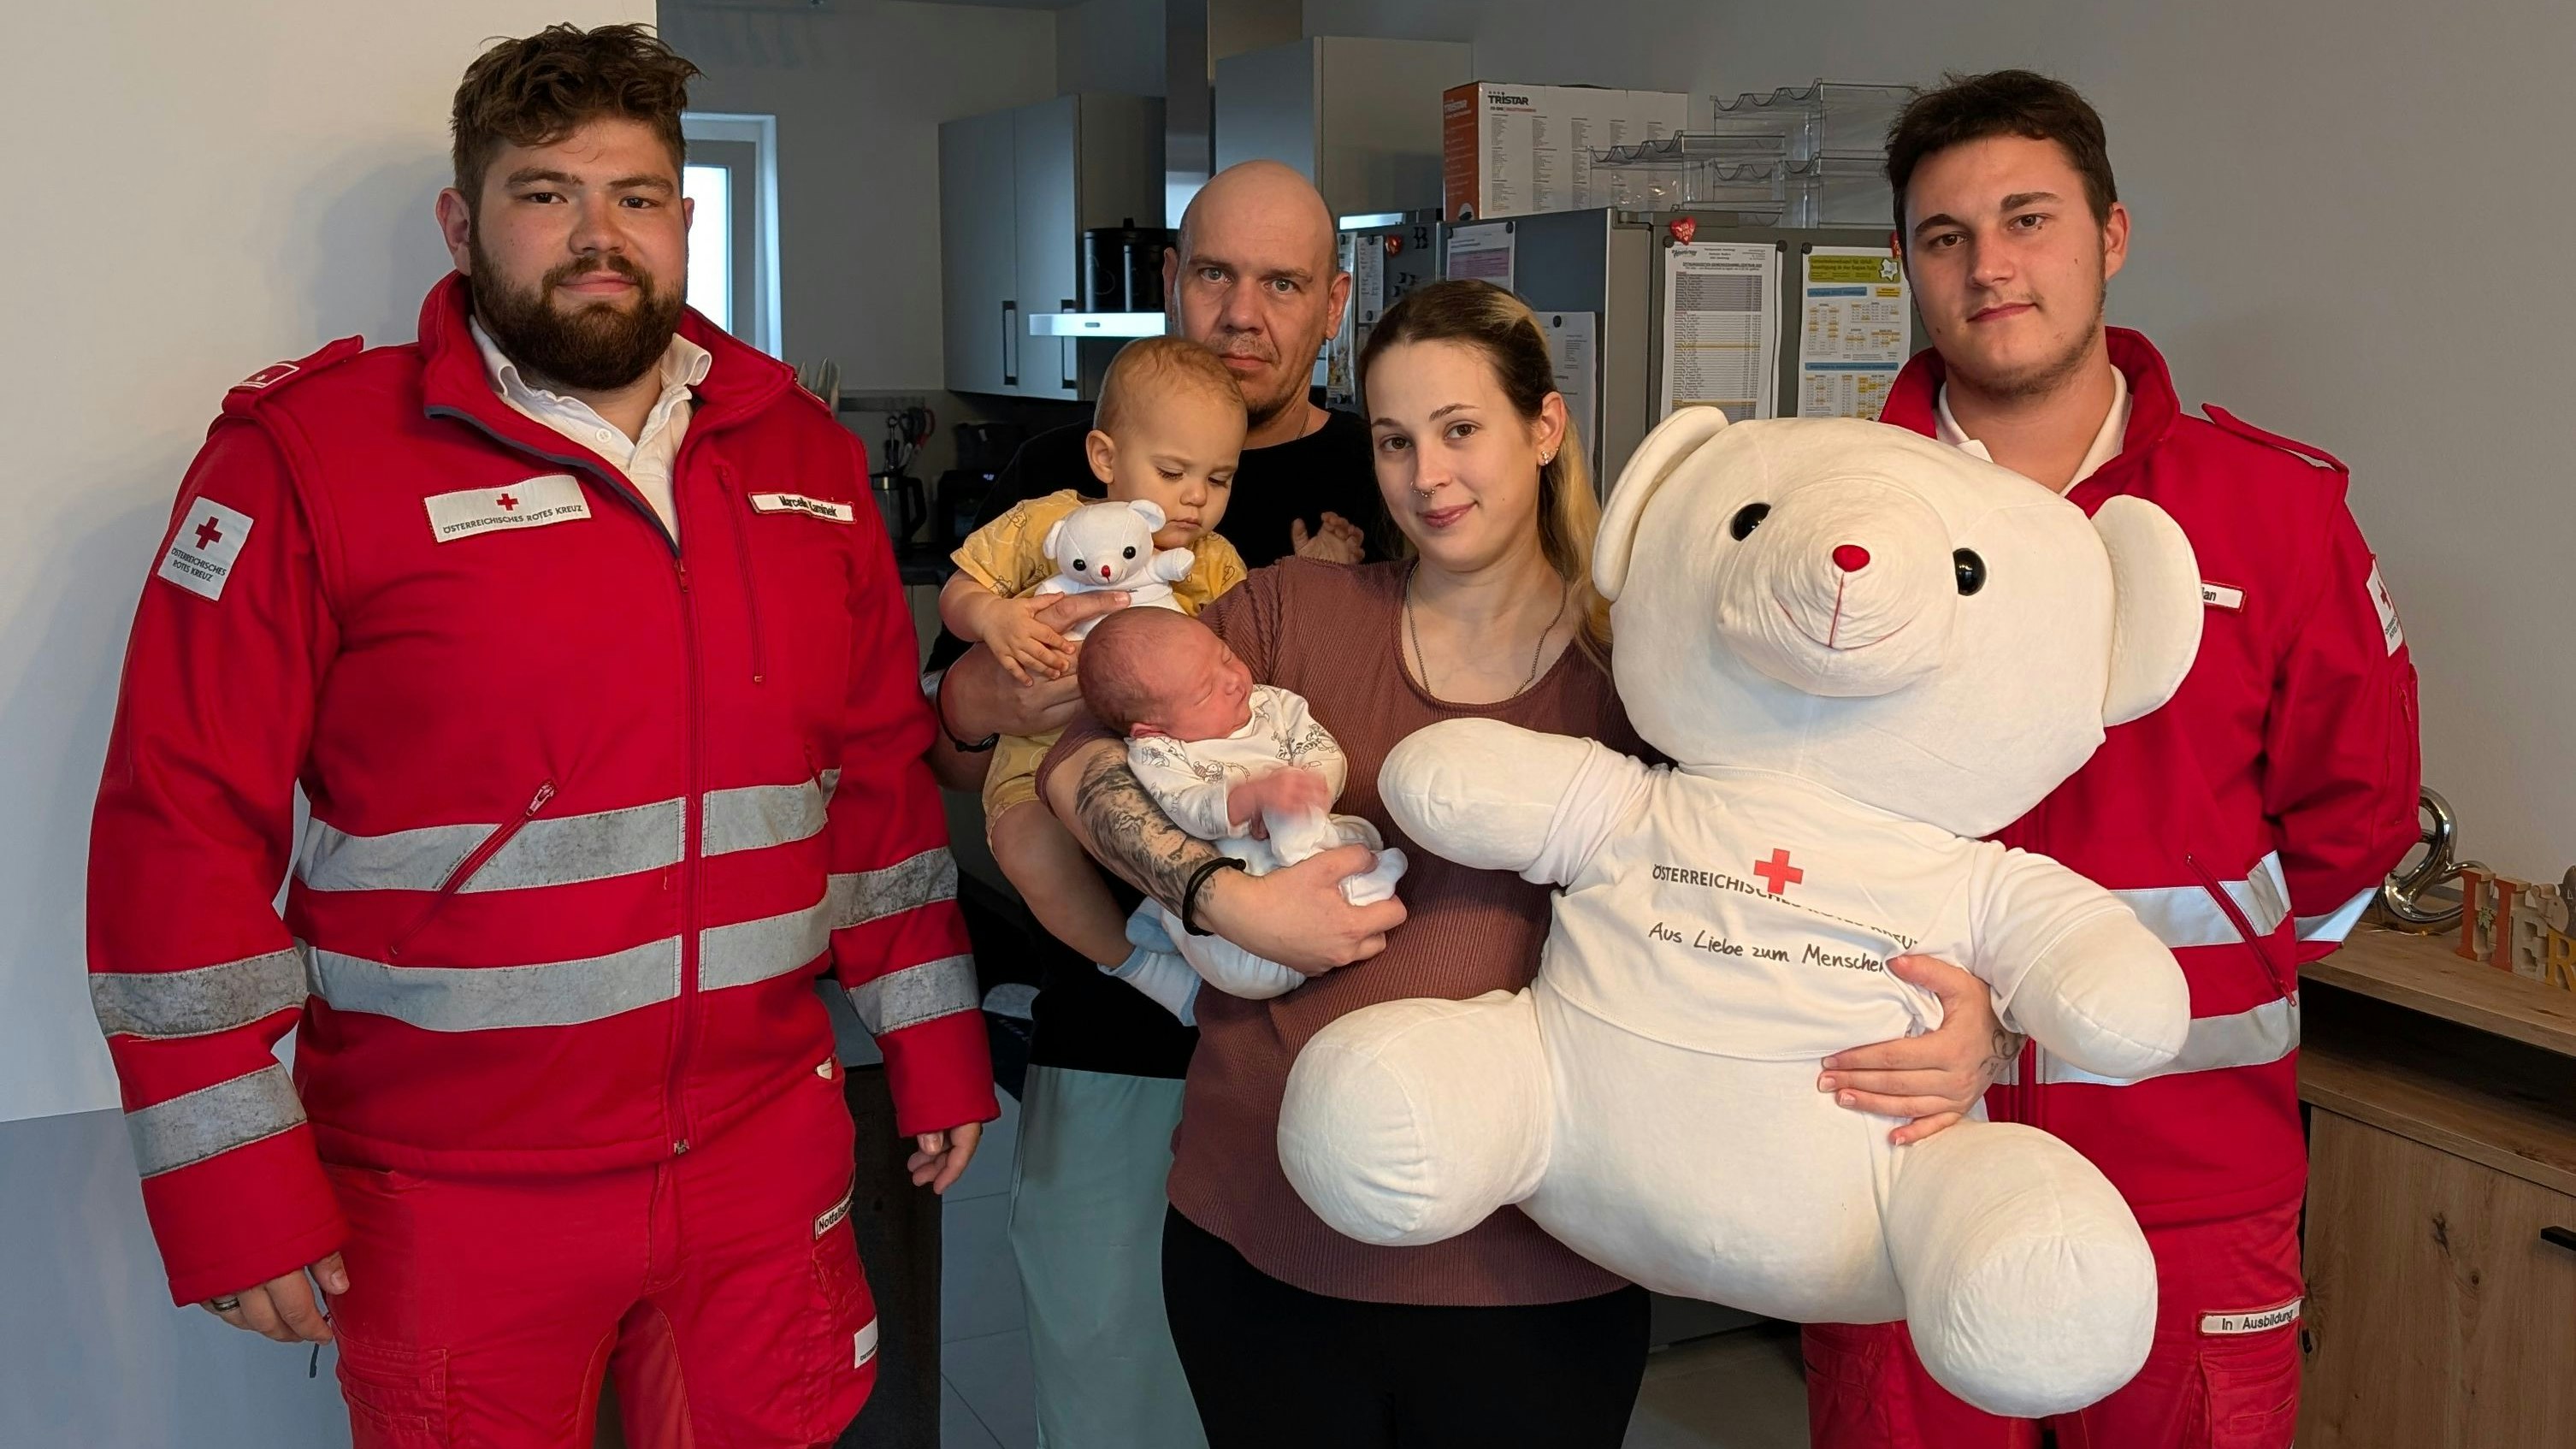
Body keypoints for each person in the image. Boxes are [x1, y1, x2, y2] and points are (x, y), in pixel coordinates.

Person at [83, 24, 993, 1449]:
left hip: (762, 1154)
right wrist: (230, 1177)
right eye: (545, 192)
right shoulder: (307, 458)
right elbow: (178, 820)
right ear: (462, 223)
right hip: (452, 1186)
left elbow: (874, 779)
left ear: (683, 219)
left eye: (636, 196)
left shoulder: (803, 460)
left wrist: (932, 1038)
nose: (596, 235)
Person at [1034, 279, 1990, 1447]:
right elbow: (1077, 766)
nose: (1426, 475)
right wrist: (1226, 898)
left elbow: (1809, 861)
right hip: (1266, 1234)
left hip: (1541, 1267)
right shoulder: (1290, 613)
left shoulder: (1646, 673)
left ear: (1544, 427)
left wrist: (1960, 1011)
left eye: (1460, 429)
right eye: (1395, 440)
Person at [1800, 70, 2423, 1449]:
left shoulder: (2273, 511)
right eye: (1946, 236)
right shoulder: (1823, 510)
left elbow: (2354, 822)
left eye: (2028, 219)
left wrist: (2186, 973)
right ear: (1906, 263)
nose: (1989, 265)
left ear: (2112, 236)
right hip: (1901, 1154)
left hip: (2188, 1175)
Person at [922, 160, 1386, 1449]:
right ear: (1172, 279)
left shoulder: (1387, 473)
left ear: (1335, 301)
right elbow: (949, 752)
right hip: (1119, 1026)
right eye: (1216, 273)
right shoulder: (1060, 480)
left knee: (1300, 1397)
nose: (1243, 311)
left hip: (1324, 1030)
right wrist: (994, 691)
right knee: (1112, 1382)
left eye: (1283, 282)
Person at [941, 337, 1250, 1022]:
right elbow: (960, 593)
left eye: (1220, 479)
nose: (1196, 498)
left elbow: (1252, 650)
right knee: (1024, 846)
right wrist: (994, 617)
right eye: (1172, 472)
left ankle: (1186, 930)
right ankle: (1138, 964)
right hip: (1033, 758)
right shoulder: (1044, 524)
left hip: (1166, 759)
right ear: (1106, 458)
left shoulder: (1210, 561)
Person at [1080, 606, 1409, 1019]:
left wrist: (1306, 788)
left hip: (1305, 834)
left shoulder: (1275, 705)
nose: (1235, 680)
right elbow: (1183, 807)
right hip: (1235, 867)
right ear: (1152, 728)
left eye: (1226, 655)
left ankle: (1168, 918)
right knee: (1244, 970)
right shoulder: (1159, 752)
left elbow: (1323, 751)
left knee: (1357, 837)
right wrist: (1246, 800)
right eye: (1206, 692)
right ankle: (1171, 922)